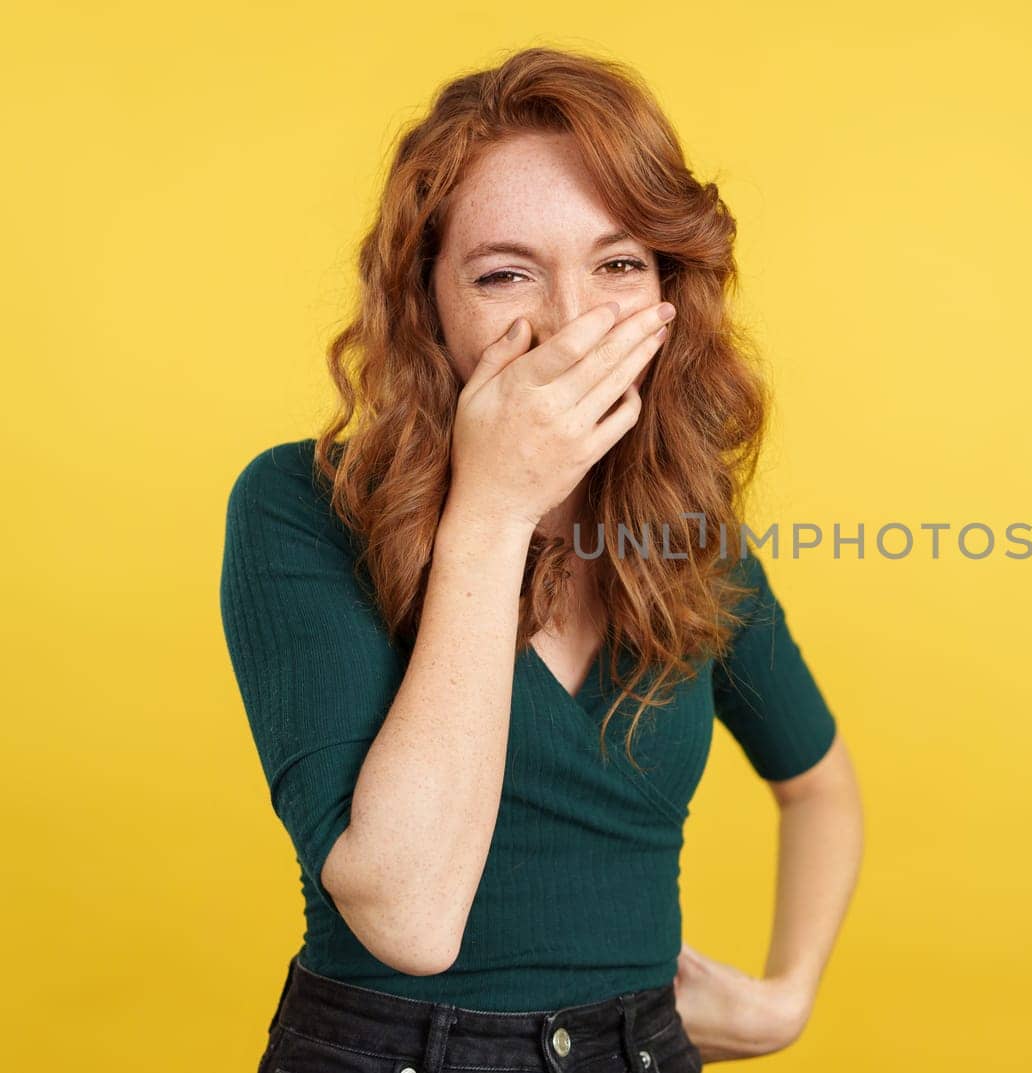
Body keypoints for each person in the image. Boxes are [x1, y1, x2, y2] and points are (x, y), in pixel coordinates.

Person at [219, 45, 864, 1073]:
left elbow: (820, 784)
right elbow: (411, 917)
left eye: (617, 263)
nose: (571, 320)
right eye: (505, 272)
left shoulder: (685, 535)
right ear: (426, 299)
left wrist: (785, 997)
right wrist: (494, 506)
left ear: (668, 289)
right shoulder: (301, 506)